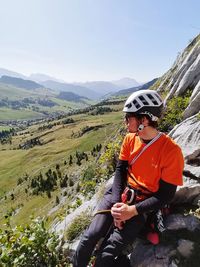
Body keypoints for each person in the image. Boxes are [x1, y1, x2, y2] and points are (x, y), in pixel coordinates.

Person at [73, 89, 184, 267]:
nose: (125, 122)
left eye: (128, 117)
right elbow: (120, 170)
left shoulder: (171, 151)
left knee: (106, 257)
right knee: (89, 238)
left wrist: (130, 211)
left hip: (140, 205)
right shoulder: (130, 139)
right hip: (120, 195)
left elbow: (166, 195)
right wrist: (117, 206)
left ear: (144, 120)